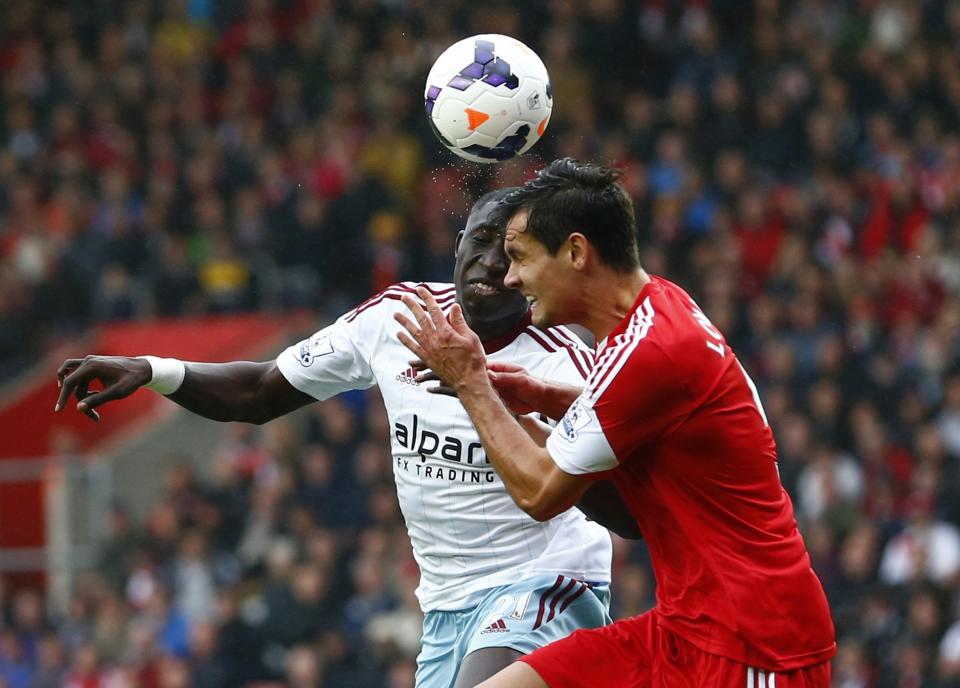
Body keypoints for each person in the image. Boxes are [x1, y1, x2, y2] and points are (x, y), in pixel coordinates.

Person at [55, 189, 639, 688]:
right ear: (456, 242)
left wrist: (525, 421)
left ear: (532, 272)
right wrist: (154, 370)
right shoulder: (398, 318)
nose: (489, 262)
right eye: (480, 240)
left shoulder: (566, 366)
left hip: (549, 581)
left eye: (512, 255)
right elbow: (260, 391)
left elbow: (624, 510)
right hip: (446, 604)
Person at [394, 160, 836, 687]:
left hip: (755, 645)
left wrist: (472, 383)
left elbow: (540, 493)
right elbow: (630, 416)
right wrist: (538, 397)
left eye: (520, 258)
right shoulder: (657, 311)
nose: (510, 278)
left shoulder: (653, 351)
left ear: (577, 253)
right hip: (680, 628)